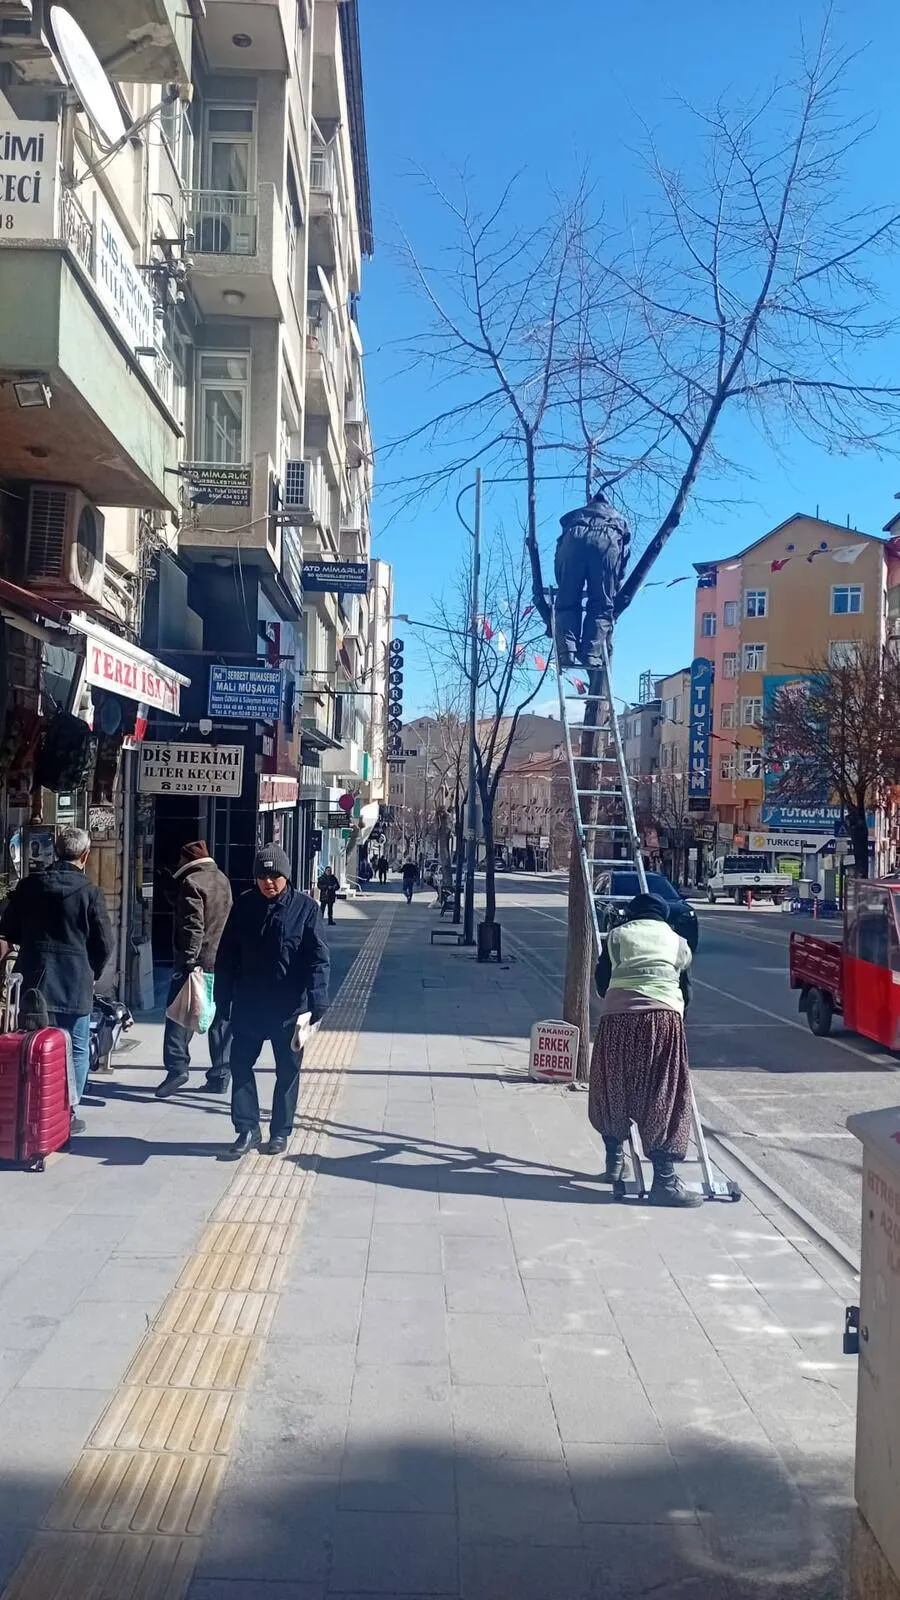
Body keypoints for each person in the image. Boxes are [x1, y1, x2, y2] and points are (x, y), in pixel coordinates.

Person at [216, 844, 330, 1158]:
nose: (269, 882)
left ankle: (280, 1132)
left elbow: (319, 959)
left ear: (286, 876)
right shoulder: (244, 906)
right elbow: (227, 956)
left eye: (275, 876)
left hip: (289, 1008)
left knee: (288, 1072)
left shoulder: (305, 908)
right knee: (239, 1066)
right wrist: (221, 998)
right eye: (262, 876)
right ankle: (247, 1128)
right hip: (249, 1005)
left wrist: (318, 999)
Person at [588, 892, 701, 1208]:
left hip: (617, 1020)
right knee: (664, 1092)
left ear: (631, 915)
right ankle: (664, 1180)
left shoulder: (617, 936)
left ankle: (614, 1160)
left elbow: (601, 982)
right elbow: (687, 991)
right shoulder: (677, 942)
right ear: (663, 918)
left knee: (611, 1086)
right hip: (662, 1020)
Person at [0, 825, 113, 1135]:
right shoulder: (89, 893)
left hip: (33, 979)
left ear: (55, 851)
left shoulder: (29, 887)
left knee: (32, 1044)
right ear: (85, 855)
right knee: (76, 1047)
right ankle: (68, 1111)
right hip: (75, 980)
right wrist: (92, 971)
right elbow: (105, 942)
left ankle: (33, 1107)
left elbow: (8, 929)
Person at [155, 841, 233, 1099]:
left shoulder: (192, 884)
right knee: (220, 1020)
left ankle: (177, 1068)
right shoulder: (222, 879)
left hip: (197, 963)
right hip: (221, 961)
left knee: (179, 1014)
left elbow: (193, 926)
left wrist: (188, 962)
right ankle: (220, 1075)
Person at [554, 489, 631, 670]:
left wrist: (563, 581)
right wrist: (616, 582)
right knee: (601, 604)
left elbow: (559, 554)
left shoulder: (574, 518)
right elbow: (623, 557)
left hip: (573, 543)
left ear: (591, 502)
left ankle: (567, 652)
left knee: (567, 600)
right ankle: (591, 653)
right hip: (607, 544)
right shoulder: (618, 521)